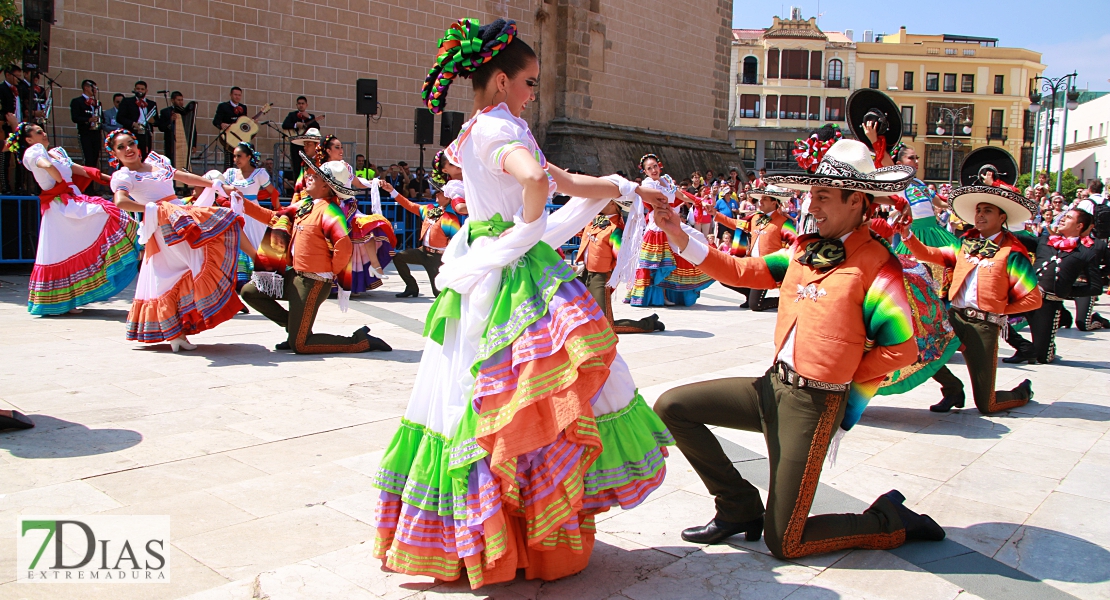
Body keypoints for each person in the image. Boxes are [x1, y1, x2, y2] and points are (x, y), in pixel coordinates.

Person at [372, 18, 674, 589]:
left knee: (499, 398)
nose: (534, 92)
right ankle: (529, 539)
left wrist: (630, 189)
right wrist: (527, 230)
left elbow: (557, 177)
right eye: (530, 81)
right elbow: (537, 178)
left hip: (495, 265)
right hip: (510, 276)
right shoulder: (496, 130)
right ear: (504, 80)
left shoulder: (479, 130)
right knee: (516, 397)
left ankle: (504, 537)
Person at [652, 139, 945, 560]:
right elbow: (741, 270)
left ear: (856, 200)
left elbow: (901, 349)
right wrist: (678, 234)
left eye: (823, 195)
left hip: (814, 404)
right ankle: (738, 508)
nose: (813, 204)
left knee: (786, 542)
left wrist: (842, 375)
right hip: (772, 387)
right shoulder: (804, 249)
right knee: (672, 406)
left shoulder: (878, 263)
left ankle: (889, 519)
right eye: (813, 193)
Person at [899, 175, 1042, 413]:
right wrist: (907, 235)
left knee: (987, 405)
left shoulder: (1013, 252)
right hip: (954, 318)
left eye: (987, 210)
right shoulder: (966, 243)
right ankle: (953, 388)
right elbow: (930, 254)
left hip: (984, 326)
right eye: (978, 210)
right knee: (920, 348)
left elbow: (1033, 298)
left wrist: (997, 311)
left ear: (1002, 217)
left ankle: (1023, 391)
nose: (980, 216)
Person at [105, 129, 246, 352]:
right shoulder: (124, 177)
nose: (128, 149)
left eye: (130, 143)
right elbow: (121, 201)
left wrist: (216, 186)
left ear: (138, 146)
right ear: (115, 154)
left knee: (195, 263)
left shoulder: (157, 164)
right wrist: (152, 209)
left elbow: (183, 176)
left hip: (180, 218)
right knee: (168, 275)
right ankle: (175, 333)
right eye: (121, 147)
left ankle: (182, 327)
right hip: (162, 228)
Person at [237, 154, 392, 354]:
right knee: (250, 292)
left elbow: (343, 247)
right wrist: (240, 202)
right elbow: (274, 218)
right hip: (294, 276)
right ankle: (294, 328)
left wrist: (326, 273)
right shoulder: (305, 205)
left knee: (301, 345)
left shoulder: (330, 211)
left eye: (316, 177)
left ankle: (361, 341)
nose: (309, 177)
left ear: (326, 186)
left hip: (313, 282)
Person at [6, 122, 140, 314]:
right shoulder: (34, 151)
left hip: (69, 201)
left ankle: (69, 299)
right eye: (38, 132)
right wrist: (60, 182)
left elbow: (81, 169)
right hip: (60, 206)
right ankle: (62, 301)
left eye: (43, 130)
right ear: (28, 139)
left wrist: (109, 179)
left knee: (71, 248)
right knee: (101, 216)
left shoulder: (56, 152)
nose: (44, 133)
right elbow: (45, 165)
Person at [1006, 206, 1107, 363]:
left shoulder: (1086, 253)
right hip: (1024, 297)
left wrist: (1065, 292)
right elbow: (1012, 237)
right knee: (991, 316)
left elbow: (1095, 287)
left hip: (1048, 305)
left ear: (1079, 226)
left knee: (1042, 358)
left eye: (1069, 218)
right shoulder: (1045, 241)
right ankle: (1024, 347)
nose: (1063, 219)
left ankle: (1047, 345)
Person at [615, 154, 713, 307]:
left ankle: (679, 288)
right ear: (645, 172)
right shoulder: (648, 185)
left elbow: (679, 194)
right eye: (649, 168)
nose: (653, 170)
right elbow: (658, 201)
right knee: (661, 262)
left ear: (659, 166)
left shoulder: (666, 179)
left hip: (672, 221)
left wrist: (698, 201)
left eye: (655, 166)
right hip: (659, 225)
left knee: (699, 239)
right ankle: (661, 294)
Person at [314, 134, 396, 290]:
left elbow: (357, 182)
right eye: (337, 147)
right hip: (330, 208)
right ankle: (330, 281)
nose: (341, 150)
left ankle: (375, 265)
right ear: (328, 151)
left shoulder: (346, 167)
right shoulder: (322, 168)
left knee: (369, 230)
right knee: (332, 245)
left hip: (349, 207)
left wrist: (374, 183)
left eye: (341, 147)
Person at [575, 200, 662, 333]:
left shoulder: (616, 229)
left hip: (601, 277)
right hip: (587, 272)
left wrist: (610, 276)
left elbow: (620, 258)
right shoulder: (595, 219)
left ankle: (648, 324)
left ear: (613, 205)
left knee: (606, 325)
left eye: (606, 199)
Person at [710, 185, 797, 311]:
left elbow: (795, 242)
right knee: (724, 276)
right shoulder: (756, 217)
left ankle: (783, 300)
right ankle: (749, 294)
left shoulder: (783, 222)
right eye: (760, 198)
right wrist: (716, 214)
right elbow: (736, 224)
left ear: (774, 202)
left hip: (767, 268)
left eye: (765, 199)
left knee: (756, 305)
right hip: (751, 263)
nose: (760, 201)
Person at [384, 177, 459, 297]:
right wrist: (392, 191)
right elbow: (409, 205)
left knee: (438, 293)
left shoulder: (450, 218)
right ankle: (411, 287)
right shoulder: (429, 209)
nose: (436, 194)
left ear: (447, 198)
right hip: (423, 251)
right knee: (399, 257)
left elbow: (456, 241)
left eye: (440, 192)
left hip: (437, 257)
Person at [281, 96, 319, 186]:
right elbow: (284, 125)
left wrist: (309, 117)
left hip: (307, 146)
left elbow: (317, 128)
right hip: (295, 145)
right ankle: (297, 188)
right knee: (297, 168)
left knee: (309, 166)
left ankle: (309, 187)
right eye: (299, 103)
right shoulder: (292, 115)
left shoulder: (311, 116)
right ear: (297, 105)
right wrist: (295, 125)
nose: (301, 105)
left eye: (303, 103)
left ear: (306, 105)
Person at [156, 91, 197, 169]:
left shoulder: (186, 113)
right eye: (178, 100)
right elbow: (161, 127)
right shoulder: (165, 112)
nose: (181, 102)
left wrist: (193, 144)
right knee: (171, 163)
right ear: (172, 100)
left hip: (184, 143)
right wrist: (170, 121)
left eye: (182, 100)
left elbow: (193, 129)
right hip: (171, 143)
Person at [116, 81, 158, 156]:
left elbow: (157, 121)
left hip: (146, 134)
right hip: (132, 133)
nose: (140, 91)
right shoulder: (127, 101)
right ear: (134, 90)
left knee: (145, 156)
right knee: (131, 154)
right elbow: (119, 118)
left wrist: (153, 121)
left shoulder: (152, 104)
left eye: (142, 89)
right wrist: (133, 124)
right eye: (138, 89)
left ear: (146, 91)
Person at [213, 87, 248, 169]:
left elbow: (243, 122)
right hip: (228, 137)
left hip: (240, 137)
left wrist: (251, 122)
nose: (237, 97)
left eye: (239, 95)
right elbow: (215, 121)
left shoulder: (243, 107)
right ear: (231, 95)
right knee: (229, 160)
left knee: (241, 158)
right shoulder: (223, 106)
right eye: (235, 95)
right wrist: (221, 124)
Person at [288, 127, 321, 204]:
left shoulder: (324, 163)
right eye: (304, 144)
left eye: (308, 144)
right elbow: (299, 185)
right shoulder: (304, 164)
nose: (305, 147)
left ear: (317, 146)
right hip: (305, 201)